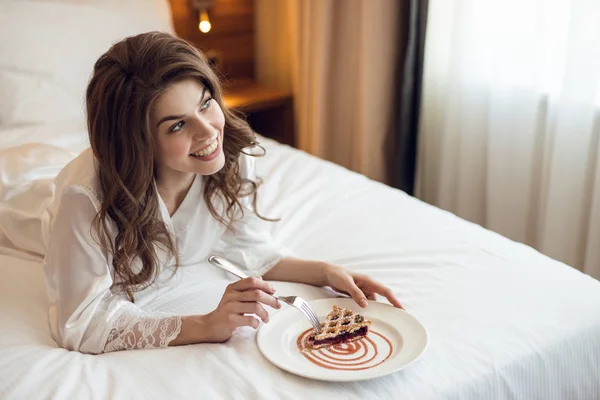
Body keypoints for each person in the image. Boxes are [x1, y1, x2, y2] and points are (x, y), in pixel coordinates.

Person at [42, 31, 403, 355]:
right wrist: (206, 324)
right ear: (138, 143)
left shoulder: (225, 155)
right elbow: (80, 323)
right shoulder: (84, 199)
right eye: (178, 125)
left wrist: (326, 272)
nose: (208, 132)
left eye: (205, 103)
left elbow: (246, 247)